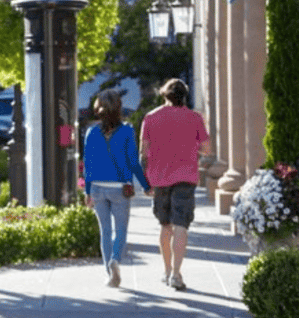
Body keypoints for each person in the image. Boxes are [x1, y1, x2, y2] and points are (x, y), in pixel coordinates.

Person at [140, 78, 210, 291]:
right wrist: (191, 146)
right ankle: (177, 275)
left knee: (165, 226)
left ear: (164, 95)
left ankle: (167, 269)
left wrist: (145, 182)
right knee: (181, 226)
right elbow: (207, 150)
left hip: (159, 178)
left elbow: (143, 152)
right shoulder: (195, 118)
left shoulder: (151, 118)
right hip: (186, 178)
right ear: (184, 95)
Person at [83, 89, 151, 287]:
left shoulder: (91, 133)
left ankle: (109, 273)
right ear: (119, 108)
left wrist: (87, 192)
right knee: (121, 230)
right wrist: (146, 185)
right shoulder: (128, 130)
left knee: (105, 231)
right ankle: (115, 260)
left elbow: (89, 165)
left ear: (98, 109)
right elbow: (133, 163)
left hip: (97, 187)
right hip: (120, 188)